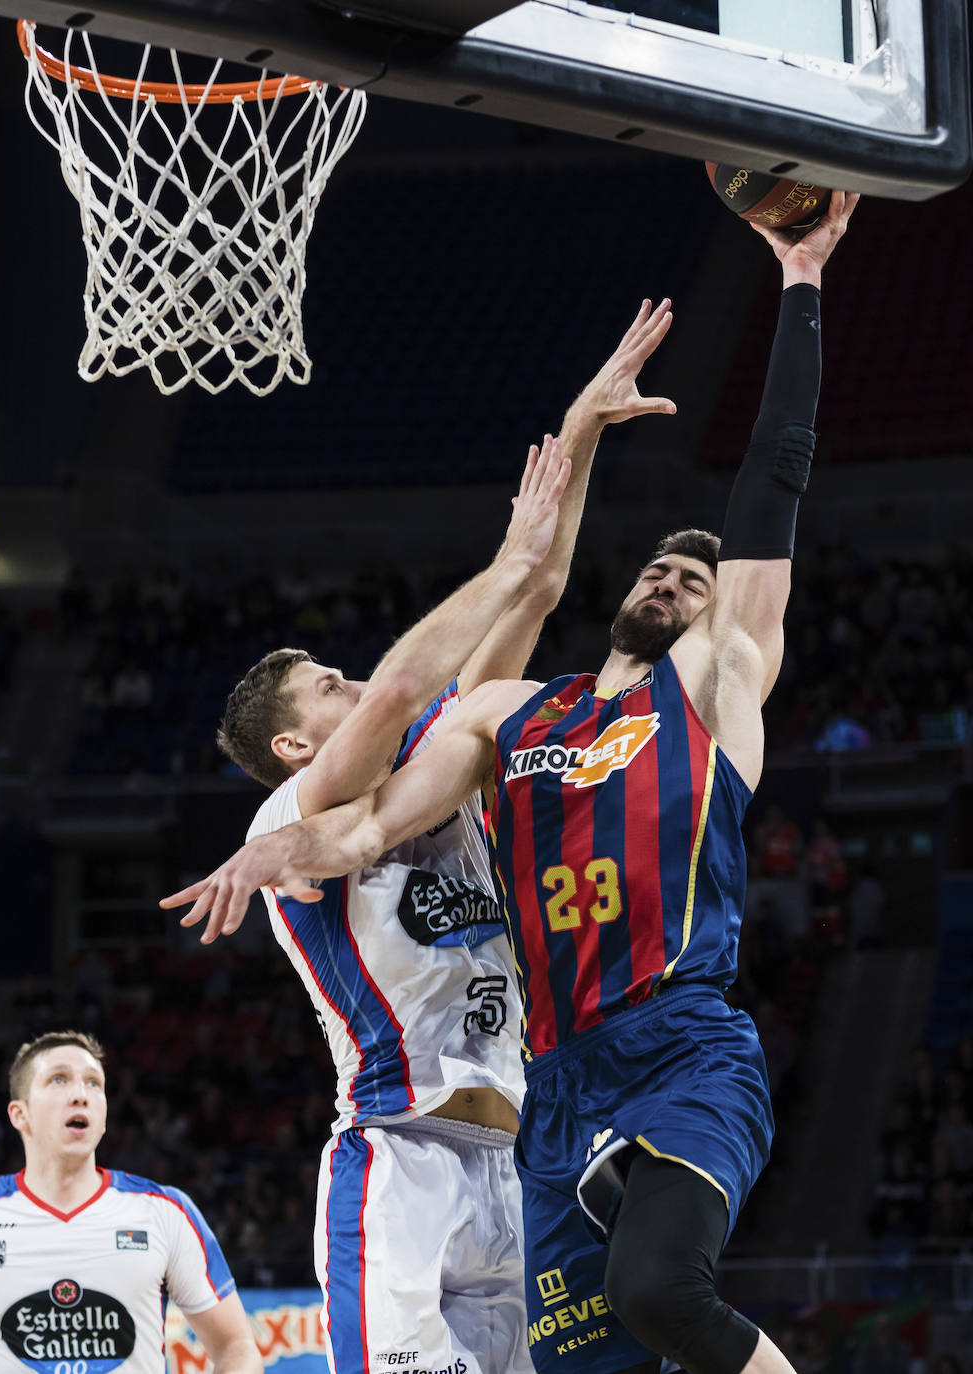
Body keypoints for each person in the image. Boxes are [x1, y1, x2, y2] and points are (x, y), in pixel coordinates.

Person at [162, 190, 859, 1374]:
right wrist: (274, 850)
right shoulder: (502, 721)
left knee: (662, 1294)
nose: (671, 583)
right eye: (659, 570)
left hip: (672, 1039)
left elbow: (748, 495)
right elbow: (368, 809)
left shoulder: (707, 691)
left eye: (693, 584)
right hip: (531, 1096)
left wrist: (798, 288)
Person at [167, 301, 677, 1374]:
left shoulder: (442, 772)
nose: (354, 685)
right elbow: (405, 680)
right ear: (296, 747)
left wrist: (583, 428)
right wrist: (503, 562)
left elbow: (537, 588)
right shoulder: (293, 818)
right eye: (327, 688)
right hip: (401, 1162)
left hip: (518, 1160)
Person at [0, 1030, 261, 1374]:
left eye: (93, 1083)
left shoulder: (165, 1212)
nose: (80, 1095)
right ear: (19, 1115)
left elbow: (237, 1348)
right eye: (58, 1080)